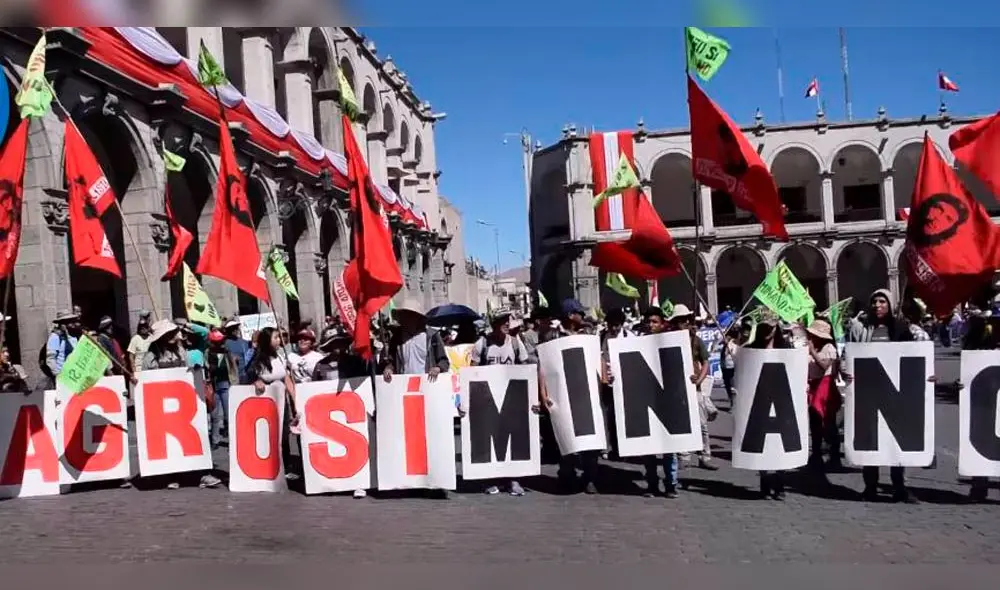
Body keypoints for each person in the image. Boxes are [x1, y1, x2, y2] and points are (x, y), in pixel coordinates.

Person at [845, 288, 926, 504]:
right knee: (870, 440)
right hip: (868, 391)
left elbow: (914, 357)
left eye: (882, 301)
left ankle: (899, 487)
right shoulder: (861, 328)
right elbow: (850, 354)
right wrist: (848, 371)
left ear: (890, 305)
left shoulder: (900, 328)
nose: (877, 305)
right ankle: (870, 486)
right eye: (874, 302)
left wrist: (926, 377)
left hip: (895, 392)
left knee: (894, 442)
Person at [140, 319, 222, 489]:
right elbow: (147, 379)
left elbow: (187, 370)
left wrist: (196, 371)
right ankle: (171, 476)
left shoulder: (181, 350)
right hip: (163, 405)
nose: (172, 336)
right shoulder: (151, 356)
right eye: (168, 334)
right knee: (171, 443)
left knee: (195, 437)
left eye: (172, 333)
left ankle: (202, 474)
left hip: (184, 403)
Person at [538, 298, 603, 494]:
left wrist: (604, 380)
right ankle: (566, 473)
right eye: (579, 313)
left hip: (586, 392)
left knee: (591, 441)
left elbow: (597, 360)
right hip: (563, 394)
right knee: (565, 436)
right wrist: (543, 394)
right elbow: (543, 368)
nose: (583, 316)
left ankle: (590, 477)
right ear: (570, 315)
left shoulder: (589, 335)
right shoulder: (552, 336)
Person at [470, 308, 529, 496]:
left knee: (512, 440)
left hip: (511, 398)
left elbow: (526, 367)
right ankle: (492, 479)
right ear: (494, 323)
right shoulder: (483, 343)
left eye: (507, 320)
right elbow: (472, 371)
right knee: (492, 440)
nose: (506, 323)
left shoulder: (515, 342)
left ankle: (513, 480)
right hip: (489, 400)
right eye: (501, 320)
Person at [247, 327, 301, 481]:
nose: (279, 340)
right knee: (269, 434)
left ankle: (286, 465)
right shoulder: (256, 361)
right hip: (265, 404)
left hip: (282, 401)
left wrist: (296, 399)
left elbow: (287, 379)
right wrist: (256, 381)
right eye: (276, 337)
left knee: (284, 433)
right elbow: (248, 378)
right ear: (267, 341)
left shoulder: (281, 357)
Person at [668, 304, 717, 470]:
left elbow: (705, 362)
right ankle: (684, 456)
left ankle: (705, 456)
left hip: (694, 387)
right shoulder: (669, 339)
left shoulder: (696, 340)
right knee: (680, 423)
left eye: (685, 320)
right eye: (679, 321)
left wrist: (699, 379)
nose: (683, 323)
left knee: (701, 424)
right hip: (676, 388)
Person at [638, 306, 680, 498]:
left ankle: (671, 483)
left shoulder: (671, 343)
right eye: (648, 321)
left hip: (667, 400)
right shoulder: (636, 344)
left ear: (663, 324)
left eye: (655, 321)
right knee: (648, 448)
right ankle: (652, 483)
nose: (651, 325)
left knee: (669, 448)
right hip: (646, 399)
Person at [747, 319, 791, 500]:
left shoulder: (787, 349)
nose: (767, 331)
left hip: (781, 400)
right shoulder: (751, 349)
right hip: (760, 400)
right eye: (764, 327)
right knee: (761, 445)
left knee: (780, 444)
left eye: (771, 327)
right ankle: (765, 484)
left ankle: (780, 485)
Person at [805, 318, 841, 471]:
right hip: (813, 386)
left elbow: (824, 366)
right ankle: (816, 453)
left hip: (825, 386)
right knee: (814, 422)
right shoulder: (812, 347)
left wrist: (813, 352)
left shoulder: (828, 348)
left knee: (828, 423)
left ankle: (835, 455)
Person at [205, 328, 235, 448]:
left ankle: (232, 440)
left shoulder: (226, 352)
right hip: (213, 385)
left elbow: (232, 368)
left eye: (220, 341)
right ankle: (215, 440)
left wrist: (234, 382)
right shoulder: (208, 352)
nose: (218, 343)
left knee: (228, 414)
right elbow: (206, 365)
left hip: (225, 384)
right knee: (214, 415)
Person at [45, 310, 82, 387]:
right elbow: (51, 359)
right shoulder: (55, 337)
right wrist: (58, 375)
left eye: (72, 321)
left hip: (76, 377)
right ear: (62, 324)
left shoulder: (74, 336)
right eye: (69, 322)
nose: (73, 324)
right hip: (64, 378)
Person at [222, 318, 252, 384]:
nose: (236, 330)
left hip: (246, 374)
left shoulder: (243, 341)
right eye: (233, 328)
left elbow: (251, 346)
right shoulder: (225, 343)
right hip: (235, 377)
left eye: (236, 327)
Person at [127, 313, 152, 377]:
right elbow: (131, 356)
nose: (143, 328)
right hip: (139, 369)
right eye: (141, 327)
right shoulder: (135, 339)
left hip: (150, 368)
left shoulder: (151, 337)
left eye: (145, 326)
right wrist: (134, 371)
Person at [720, 330, 739, 406]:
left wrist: (727, 345)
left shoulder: (732, 344)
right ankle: (730, 400)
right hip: (724, 366)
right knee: (726, 384)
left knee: (731, 385)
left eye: (726, 336)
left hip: (730, 366)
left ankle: (733, 401)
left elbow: (729, 353)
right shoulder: (724, 344)